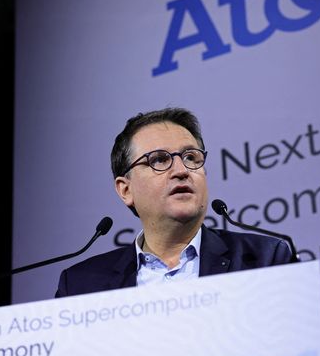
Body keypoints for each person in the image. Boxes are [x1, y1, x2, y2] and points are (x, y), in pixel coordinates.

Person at [55, 107, 292, 297]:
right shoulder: (81, 285)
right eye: (159, 160)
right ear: (125, 189)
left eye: (191, 157)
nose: (181, 170)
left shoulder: (264, 260)